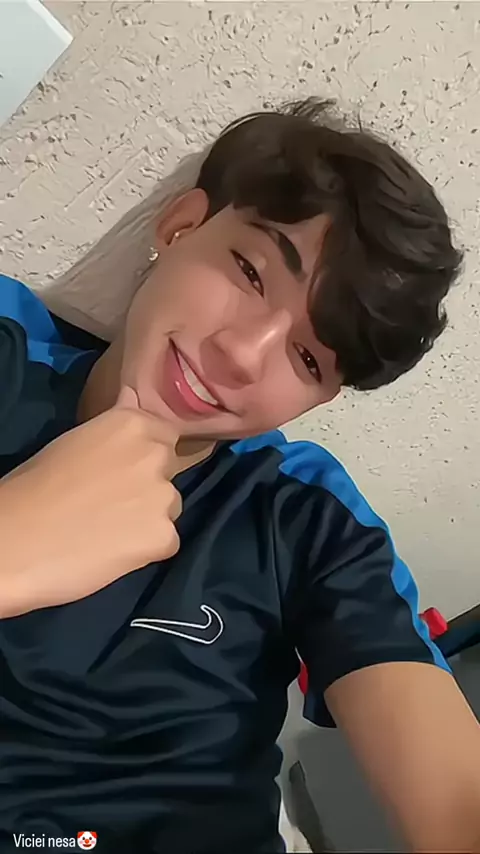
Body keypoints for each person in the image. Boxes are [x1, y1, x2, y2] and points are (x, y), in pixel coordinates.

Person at [0, 97, 479, 854]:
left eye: (308, 358)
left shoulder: (307, 516)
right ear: (181, 225)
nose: (241, 354)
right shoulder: (9, 351)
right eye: (251, 272)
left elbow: (456, 799)